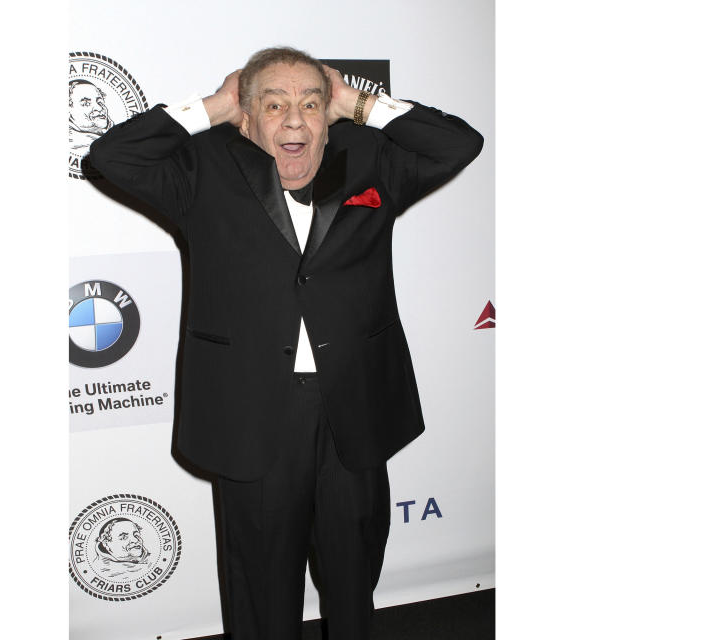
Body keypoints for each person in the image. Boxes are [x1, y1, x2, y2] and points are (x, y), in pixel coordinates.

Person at [87, 46, 483, 640]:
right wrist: (217, 105)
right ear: (247, 119)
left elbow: (458, 143)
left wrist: (358, 101)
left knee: (354, 580)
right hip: (251, 415)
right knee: (261, 592)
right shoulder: (201, 171)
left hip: (353, 408)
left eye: (310, 104)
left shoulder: (373, 161)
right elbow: (111, 155)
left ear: (329, 114)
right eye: (273, 105)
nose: (293, 120)